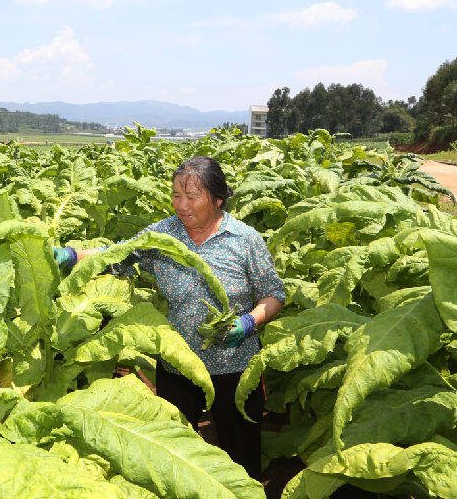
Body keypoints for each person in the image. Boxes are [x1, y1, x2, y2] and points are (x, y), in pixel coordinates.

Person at [53, 155, 285, 477]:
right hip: (178, 365)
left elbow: (273, 294)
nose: (181, 205)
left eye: (192, 196)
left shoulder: (244, 240)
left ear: (218, 199)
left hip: (235, 367)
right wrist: (74, 255)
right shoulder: (163, 236)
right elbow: (117, 253)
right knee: (174, 453)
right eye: (176, 195)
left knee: (241, 453)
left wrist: (250, 321)